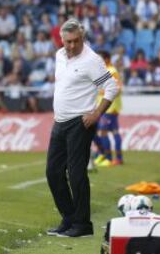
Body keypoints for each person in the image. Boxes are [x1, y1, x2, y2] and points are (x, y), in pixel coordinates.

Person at [46, 18, 118, 238]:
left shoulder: (92, 60)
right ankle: (69, 218)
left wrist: (96, 113)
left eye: (75, 41)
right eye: (67, 41)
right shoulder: (59, 55)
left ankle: (83, 224)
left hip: (80, 123)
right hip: (59, 121)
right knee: (53, 172)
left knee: (76, 174)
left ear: (82, 38)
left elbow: (112, 87)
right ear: (61, 39)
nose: (71, 46)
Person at [94, 50, 124, 167]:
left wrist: (102, 91)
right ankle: (115, 157)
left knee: (103, 132)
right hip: (106, 107)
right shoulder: (105, 71)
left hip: (110, 107)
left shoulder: (112, 71)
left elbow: (118, 88)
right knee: (114, 132)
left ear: (106, 59)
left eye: (100, 59)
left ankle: (108, 157)